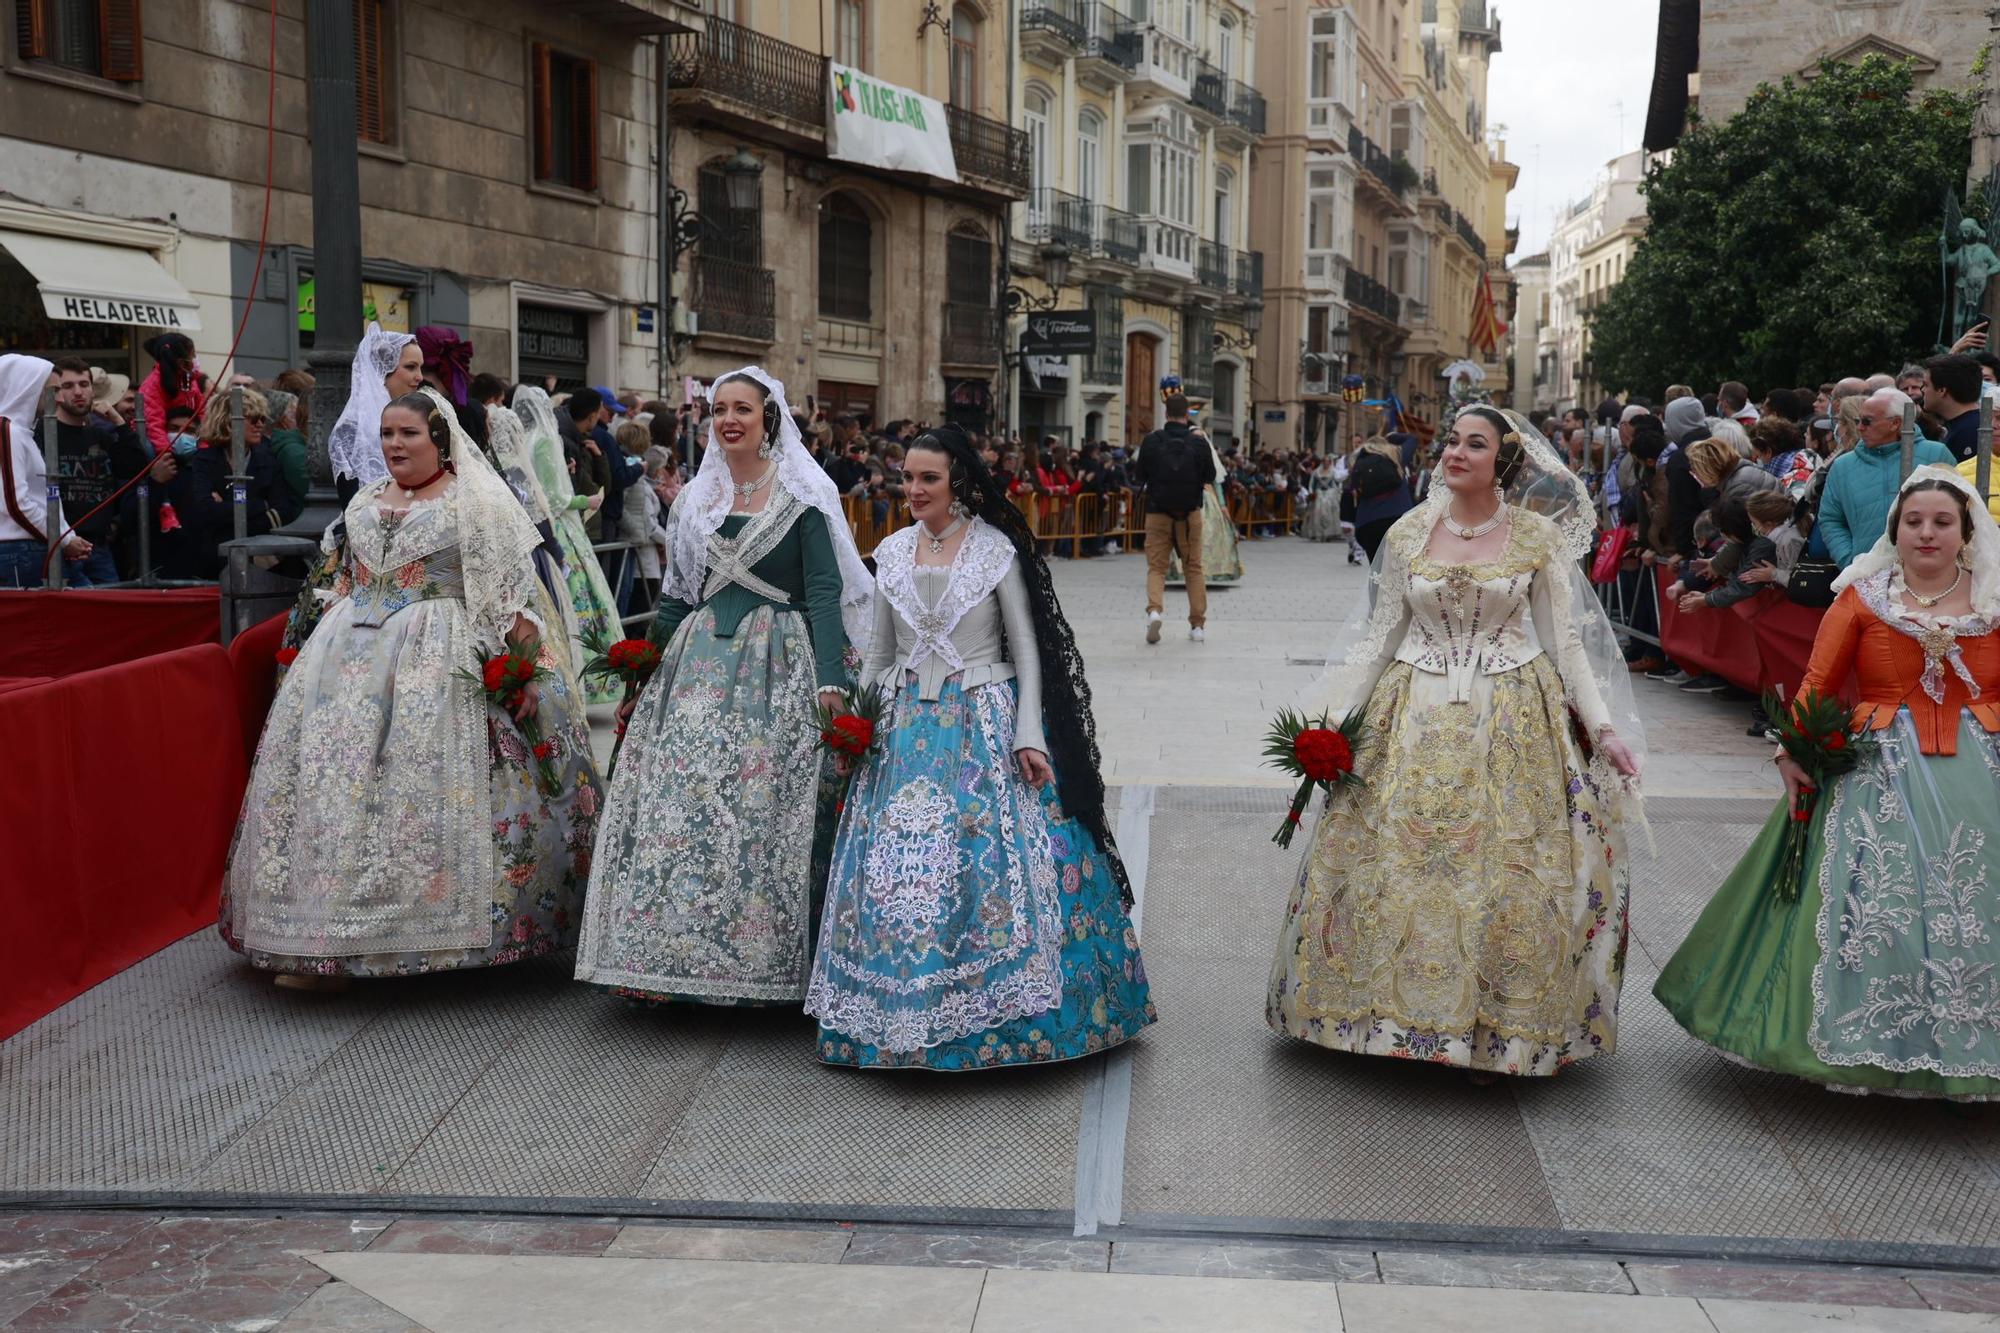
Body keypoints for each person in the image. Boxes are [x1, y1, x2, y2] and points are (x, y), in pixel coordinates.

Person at [1266, 406, 1644, 1079]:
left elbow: (1567, 644)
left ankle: (1499, 1026)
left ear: (1503, 460)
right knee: (1396, 863)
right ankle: (1382, 1017)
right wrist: (1331, 725)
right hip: (1410, 712)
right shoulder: (1412, 530)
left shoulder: (1535, 537)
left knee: (1507, 870)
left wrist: (1605, 728)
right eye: (1452, 441)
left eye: (1476, 443)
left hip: (1513, 719)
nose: (1457, 452)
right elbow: (1380, 639)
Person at [221, 391, 601, 988]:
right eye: (387, 434)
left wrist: (522, 671)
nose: (394, 445)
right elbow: (343, 580)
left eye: (408, 435)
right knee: (333, 786)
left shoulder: (479, 503)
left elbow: (513, 600)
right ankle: (320, 939)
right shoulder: (367, 501)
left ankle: (423, 929)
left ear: (440, 441)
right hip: (345, 660)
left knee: (420, 786)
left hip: (439, 657)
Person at [806, 425, 1155, 1068]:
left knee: (990, 860)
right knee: (905, 872)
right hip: (904, 729)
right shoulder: (891, 551)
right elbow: (881, 654)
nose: (912, 489)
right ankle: (898, 1014)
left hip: (985, 717)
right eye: (906, 478)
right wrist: (859, 725)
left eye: (927, 478)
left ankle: (1003, 1021)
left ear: (957, 481)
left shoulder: (994, 552)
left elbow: (1025, 648)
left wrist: (1028, 732)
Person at [1656, 467, 2000, 1100]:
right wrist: (1791, 751)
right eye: (1914, 521)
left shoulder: (1994, 599)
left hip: (1979, 765)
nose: (1927, 533)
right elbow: (1817, 681)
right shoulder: (1864, 596)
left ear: (1966, 530)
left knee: (1969, 900)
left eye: (1942, 522)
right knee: (1875, 900)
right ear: (1896, 529)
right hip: (1876, 766)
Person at [575, 366, 874, 1007]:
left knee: (763, 809)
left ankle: (758, 961)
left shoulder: (803, 498)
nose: (730, 420)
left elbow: (824, 594)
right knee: (684, 803)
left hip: (778, 667)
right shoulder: (696, 502)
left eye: (743, 408)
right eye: (719, 411)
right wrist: (642, 668)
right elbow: (680, 598)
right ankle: (673, 956)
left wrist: (830, 683)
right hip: (696, 671)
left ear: (770, 419)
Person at [517, 385, 621, 705]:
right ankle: (586, 680)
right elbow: (555, 499)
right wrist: (586, 499)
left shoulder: (526, 439)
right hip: (560, 527)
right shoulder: (548, 440)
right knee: (577, 601)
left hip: (535, 527)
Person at [43, 357, 150, 585]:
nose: (78, 392)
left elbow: (137, 469)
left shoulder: (101, 436)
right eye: (68, 386)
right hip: (58, 545)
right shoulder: (42, 435)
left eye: (84, 384)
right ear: (55, 392)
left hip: (98, 548)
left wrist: (118, 420)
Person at [1818, 388, 1954, 566]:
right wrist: (1850, 562)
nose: (1859, 427)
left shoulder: (1936, 454)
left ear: (1895, 423)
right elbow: (1831, 519)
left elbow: (1958, 512)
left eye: (1867, 422)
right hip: (1866, 577)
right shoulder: (1843, 466)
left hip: (1929, 572)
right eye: (1858, 420)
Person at [1, 354, 93, 587]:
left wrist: (67, 537)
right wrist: (62, 540)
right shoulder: (7, 431)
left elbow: (38, 499)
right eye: (53, 391)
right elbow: (16, 503)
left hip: (32, 546)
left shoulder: (19, 432)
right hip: (21, 549)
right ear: (28, 388)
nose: (61, 399)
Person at [1134, 394, 1210, 643]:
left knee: (1157, 567)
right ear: (1187, 414)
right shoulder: (1198, 442)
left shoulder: (1152, 441)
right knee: (1193, 567)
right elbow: (1209, 475)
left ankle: (1154, 610)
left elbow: (1139, 474)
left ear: (1165, 414)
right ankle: (1197, 626)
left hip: (1158, 512)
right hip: (1190, 515)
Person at [1168, 420, 1243, 587]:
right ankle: (1182, 570)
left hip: (1207, 499)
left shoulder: (1208, 458)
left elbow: (1216, 482)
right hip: (1186, 498)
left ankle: (1207, 571)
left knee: (1208, 535)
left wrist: (1222, 505)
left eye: (1201, 438)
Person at [137, 333, 205, 453]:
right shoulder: (152, 385)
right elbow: (153, 424)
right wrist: (166, 455)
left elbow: (202, 412)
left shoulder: (189, 380)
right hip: (159, 449)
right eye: (193, 355)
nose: (195, 358)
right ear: (181, 362)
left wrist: (204, 445)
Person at [261, 388, 309, 526]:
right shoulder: (293, 452)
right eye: (295, 415)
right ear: (283, 421)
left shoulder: (295, 446)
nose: (300, 419)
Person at [1924, 352, 1984, 463]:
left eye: (1926, 385)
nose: (1922, 390)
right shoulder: (1971, 425)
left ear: (1942, 390)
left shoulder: (1972, 432)